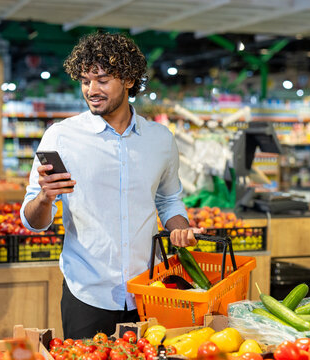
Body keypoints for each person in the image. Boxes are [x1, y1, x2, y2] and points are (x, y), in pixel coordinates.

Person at [21, 32, 203, 339]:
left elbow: (169, 199)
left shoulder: (160, 139)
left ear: (130, 80)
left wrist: (180, 229)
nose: (92, 90)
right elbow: (32, 222)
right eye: (85, 81)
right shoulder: (61, 137)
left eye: (102, 80)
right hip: (87, 293)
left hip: (150, 289)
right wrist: (44, 197)